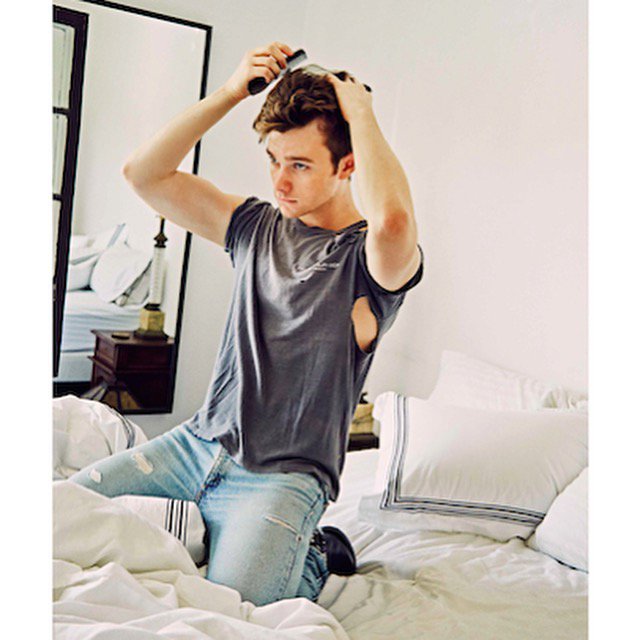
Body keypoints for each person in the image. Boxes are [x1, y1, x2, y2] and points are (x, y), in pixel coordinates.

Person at [69, 41, 424, 606]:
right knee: (61, 507)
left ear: (347, 165)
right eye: (273, 160)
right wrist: (232, 91)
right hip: (195, 445)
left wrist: (361, 114)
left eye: (300, 165)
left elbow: (394, 221)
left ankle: (315, 554)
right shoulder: (255, 226)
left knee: (236, 605)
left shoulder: (368, 262)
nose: (280, 182)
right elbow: (143, 174)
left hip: (282, 479)